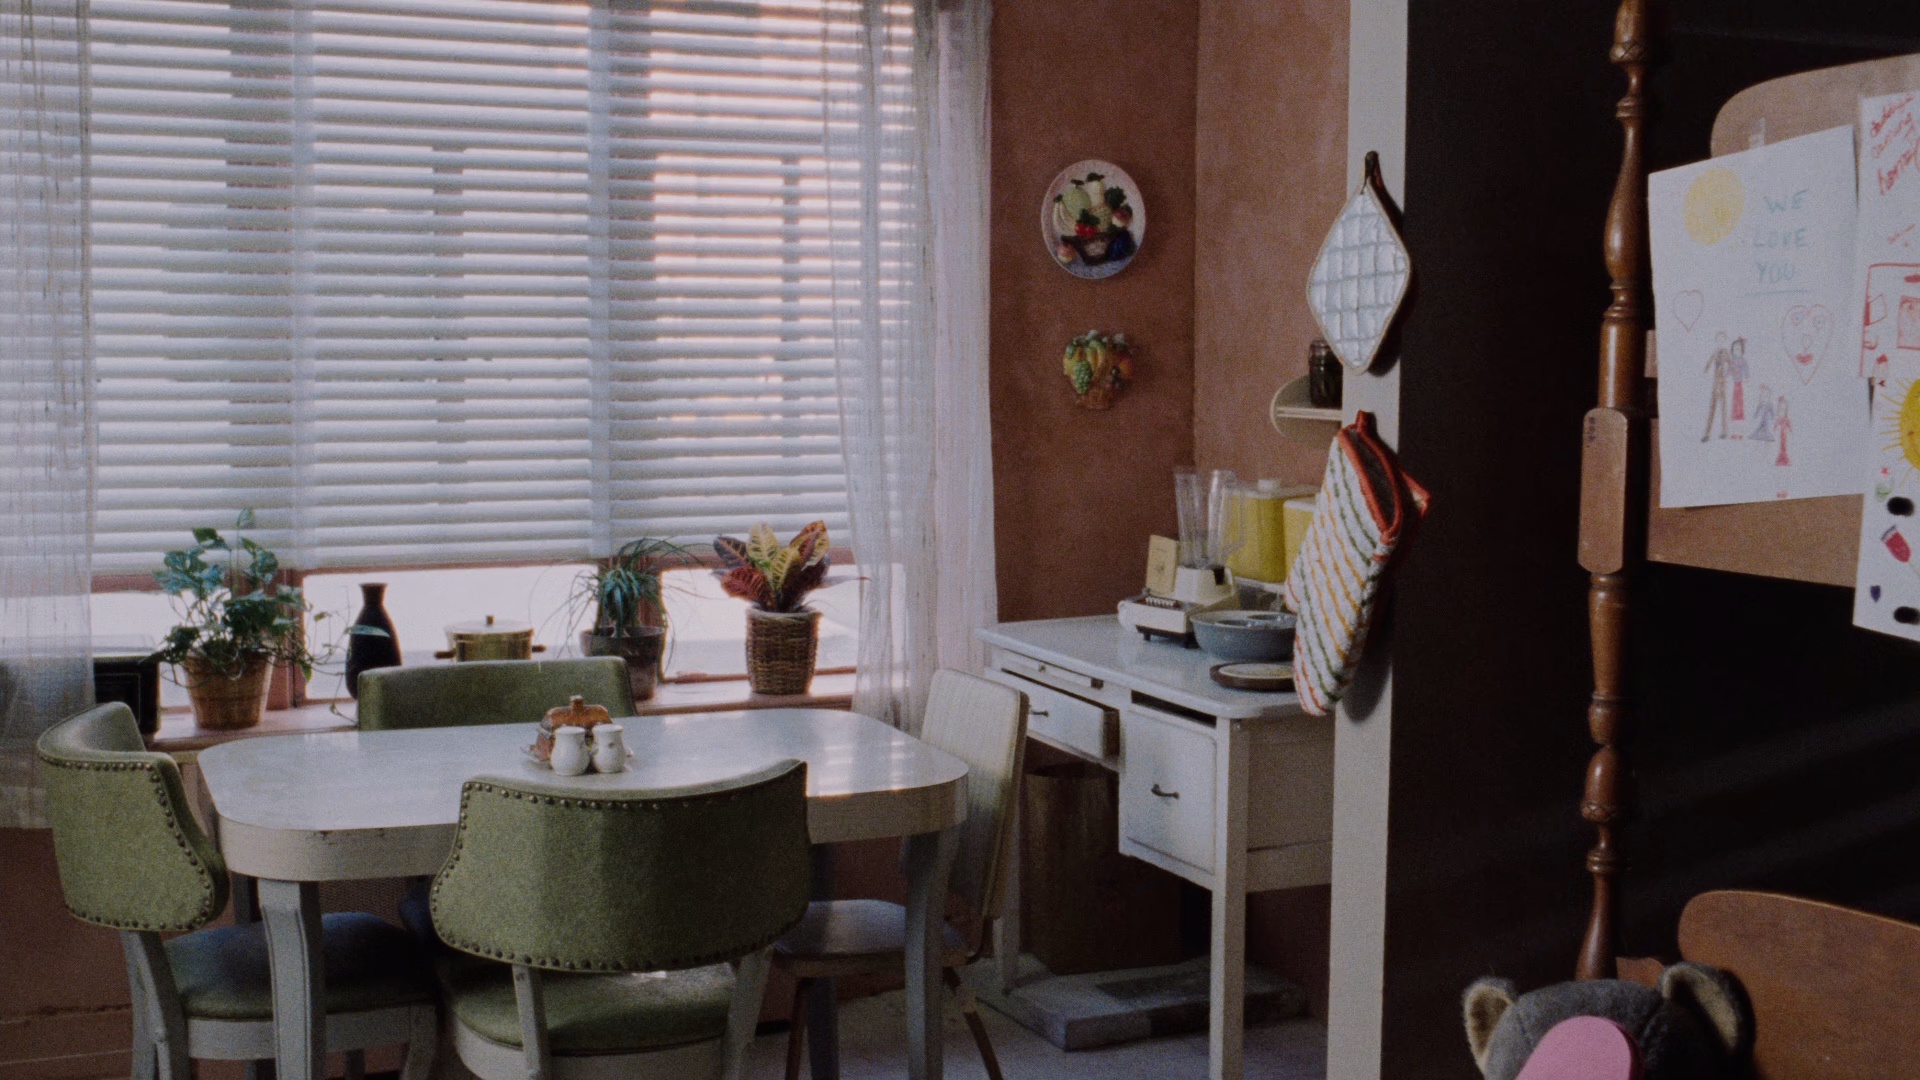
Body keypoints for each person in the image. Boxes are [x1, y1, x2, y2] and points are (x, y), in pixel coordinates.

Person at [1701, 332, 1732, 442]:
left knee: (1723, 407)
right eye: (1719, 340)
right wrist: (1705, 369)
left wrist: (1730, 374)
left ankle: (1724, 431)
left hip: (1722, 383)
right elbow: (1709, 363)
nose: (1720, 343)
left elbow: (1731, 364)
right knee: (1712, 407)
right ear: (1716, 341)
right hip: (1716, 384)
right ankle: (1707, 433)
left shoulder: (1726, 353)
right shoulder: (1715, 352)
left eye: (1722, 341)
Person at [1729, 337, 1749, 421]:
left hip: (1739, 382)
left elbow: (1746, 368)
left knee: (1740, 398)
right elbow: (1729, 369)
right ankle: (1735, 415)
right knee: (1735, 398)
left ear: (1742, 351)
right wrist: (1726, 375)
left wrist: (1747, 376)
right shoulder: (1732, 361)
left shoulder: (1742, 360)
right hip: (1735, 382)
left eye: (1738, 349)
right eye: (1734, 349)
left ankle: (1740, 414)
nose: (1736, 351)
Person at [1775, 396, 1792, 467]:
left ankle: (1784, 459)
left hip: (1784, 435)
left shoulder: (1786, 420)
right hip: (1781, 435)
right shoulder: (1778, 420)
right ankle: (1781, 459)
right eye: (1780, 410)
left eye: (1783, 410)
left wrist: (1790, 431)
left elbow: (1790, 428)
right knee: (1781, 446)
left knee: (1784, 446)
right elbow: (1775, 428)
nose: (1782, 412)